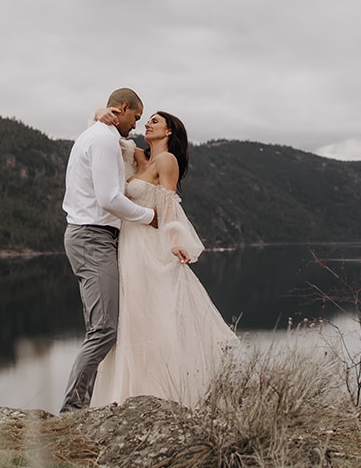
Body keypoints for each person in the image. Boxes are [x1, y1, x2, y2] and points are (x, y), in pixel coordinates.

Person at [90, 109, 238, 409]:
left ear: (169, 131)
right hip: (128, 244)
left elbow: (169, 205)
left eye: (155, 121)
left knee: (151, 314)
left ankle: (161, 394)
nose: (148, 124)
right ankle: (126, 395)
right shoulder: (139, 157)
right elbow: (100, 134)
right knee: (131, 315)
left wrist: (174, 241)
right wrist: (98, 114)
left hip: (147, 245)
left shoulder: (167, 161)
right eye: (147, 120)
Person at [59, 87, 159, 413]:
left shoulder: (98, 134)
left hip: (93, 238)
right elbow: (109, 199)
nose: (135, 126)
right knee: (104, 330)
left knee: (100, 328)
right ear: (125, 108)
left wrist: (96, 114)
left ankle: (81, 405)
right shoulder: (101, 139)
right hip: (92, 238)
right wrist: (149, 217)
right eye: (136, 117)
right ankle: (72, 410)